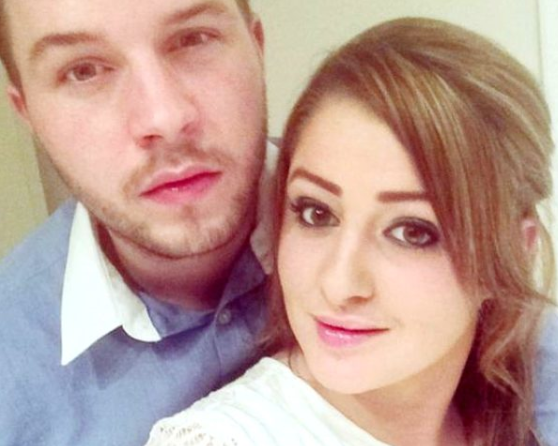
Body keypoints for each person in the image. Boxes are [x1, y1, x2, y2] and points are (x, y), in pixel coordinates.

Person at [145, 17, 558, 446]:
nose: (339, 285)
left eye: (411, 232)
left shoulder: (523, 410)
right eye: (316, 213)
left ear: (515, 251)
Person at [0, 1, 275, 445]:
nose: (164, 119)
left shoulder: (403, 217)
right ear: (27, 111)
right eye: (84, 71)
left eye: (192, 39)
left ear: (257, 47)